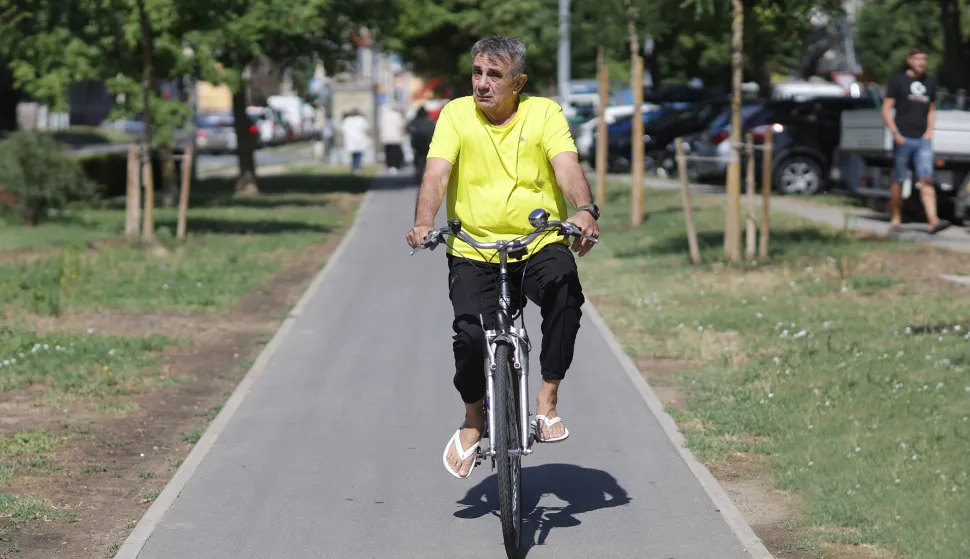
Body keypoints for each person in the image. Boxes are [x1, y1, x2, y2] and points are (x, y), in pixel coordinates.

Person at [404, 35, 600, 479]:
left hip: (536, 242)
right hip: (473, 248)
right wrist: (422, 221)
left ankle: (546, 402)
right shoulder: (455, 115)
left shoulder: (543, 113)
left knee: (565, 286)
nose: (483, 83)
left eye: (495, 75)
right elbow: (436, 175)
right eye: (477, 73)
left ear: (519, 82)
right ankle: (474, 419)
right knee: (471, 338)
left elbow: (566, 165)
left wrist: (583, 210)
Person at [881, 45, 950, 235]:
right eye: (918, 59)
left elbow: (932, 109)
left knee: (926, 179)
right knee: (899, 180)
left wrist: (929, 132)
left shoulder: (930, 83)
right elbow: (886, 108)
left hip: (923, 140)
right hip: (903, 138)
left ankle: (933, 221)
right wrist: (896, 133)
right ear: (910, 60)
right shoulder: (898, 81)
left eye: (925, 59)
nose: (922, 63)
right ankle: (895, 220)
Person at [406, 106, 436, 180]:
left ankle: (420, 170)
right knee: (424, 157)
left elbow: (408, 128)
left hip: (418, 143)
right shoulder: (429, 121)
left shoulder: (415, 121)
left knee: (419, 157)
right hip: (425, 143)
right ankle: (423, 170)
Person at [340, 108, 370, 174]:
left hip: (351, 141)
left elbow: (342, 130)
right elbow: (366, 128)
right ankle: (357, 168)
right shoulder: (361, 120)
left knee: (353, 155)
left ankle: (354, 168)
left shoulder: (347, 120)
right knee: (359, 155)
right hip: (359, 140)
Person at [380, 106, 406, 173]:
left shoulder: (385, 115)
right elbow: (401, 127)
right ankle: (395, 166)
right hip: (396, 137)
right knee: (395, 152)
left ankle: (389, 165)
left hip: (386, 137)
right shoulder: (398, 115)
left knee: (388, 152)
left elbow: (381, 126)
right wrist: (403, 136)